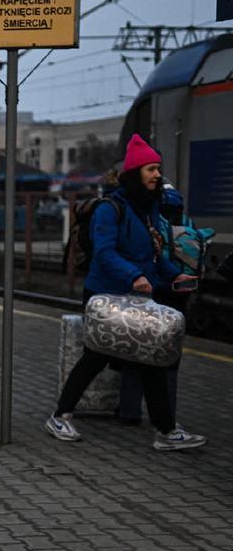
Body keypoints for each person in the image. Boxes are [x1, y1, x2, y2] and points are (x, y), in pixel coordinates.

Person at [45, 135, 205, 451]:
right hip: (107, 296)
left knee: (151, 360)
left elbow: (153, 256)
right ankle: (61, 415)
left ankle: (166, 430)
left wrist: (176, 276)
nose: (158, 175)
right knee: (96, 357)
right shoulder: (110, 209)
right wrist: (134, 277)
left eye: (158, 169)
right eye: (151, 169)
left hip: (135, 297)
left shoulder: (146, 210)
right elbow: (104, 253)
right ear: (134, 174)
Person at [117, 182, 194, 426]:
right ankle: (167, 415)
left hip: (150, 293)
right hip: (177, 294)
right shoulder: (187, 224)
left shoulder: (149, 221)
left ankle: (130, 411)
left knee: (136, 354)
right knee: (169, 359)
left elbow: (149, 259)